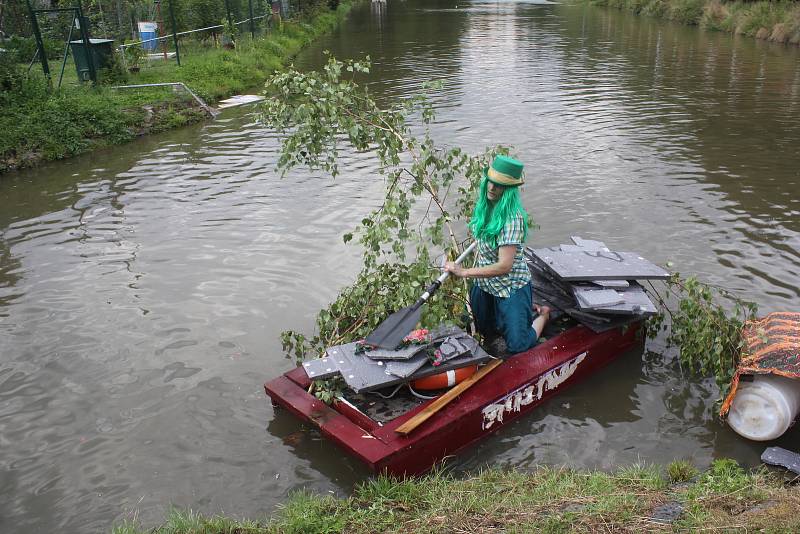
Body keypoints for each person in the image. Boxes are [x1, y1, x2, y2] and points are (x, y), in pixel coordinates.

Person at [445, 155, 550, 355]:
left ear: (509, 190)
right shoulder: (485, 208)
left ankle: (543, 315)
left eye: (499, 185)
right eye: (490, 182)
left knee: (518, 345)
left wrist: (464, 272)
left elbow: (504, 266)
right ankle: (524, 309)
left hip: (510, 286)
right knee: (486, 332)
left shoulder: (513, 219)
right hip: (486, 285)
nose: (492, 188)